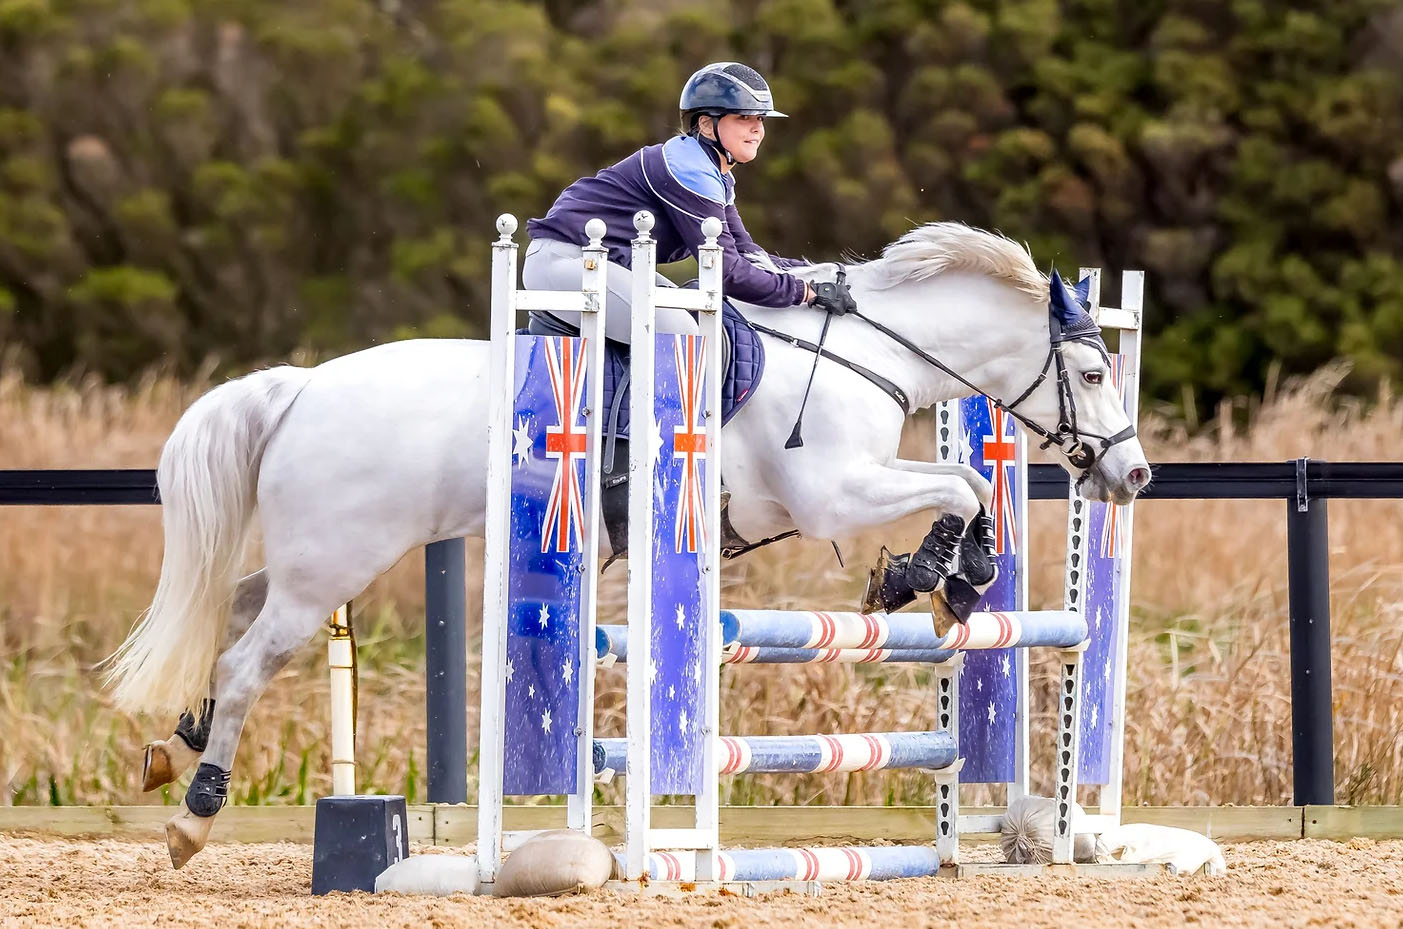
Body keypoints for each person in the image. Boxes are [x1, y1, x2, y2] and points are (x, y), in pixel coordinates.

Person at [524, 61, 854, 342]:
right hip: (567, 265)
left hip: (599, 266)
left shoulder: (715, 174)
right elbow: (728, 273)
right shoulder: (689, 169)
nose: (757, 129)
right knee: (683, 334)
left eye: (760, 119)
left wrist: (822, 273)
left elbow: (748, 254)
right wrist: (805, 293)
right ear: (707, 124)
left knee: (690, 316)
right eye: (744, 118)